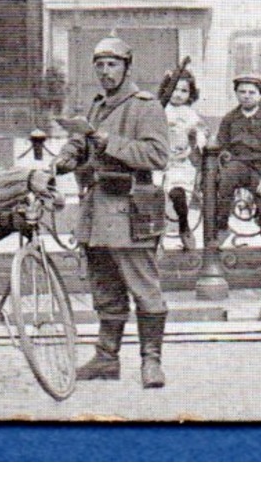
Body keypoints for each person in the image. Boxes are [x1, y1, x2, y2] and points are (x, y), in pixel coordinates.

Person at [52, 37, 169, 389]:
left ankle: (151, 362)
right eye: (100, 65)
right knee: (104, 288)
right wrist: (68, 154)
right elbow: (82, 141)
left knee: (144, 288)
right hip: (96, 210)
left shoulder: (145, 106)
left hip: (130, 210)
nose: (105, 72)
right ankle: (106, 358)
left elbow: (157, 155)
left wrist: (107, 141)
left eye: (112, 64)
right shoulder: (97, 105)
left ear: (126, 67)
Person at [213, 73, 261, 283]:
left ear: (260, 95)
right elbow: (221, 144)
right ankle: (221, 228)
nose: (246, 96)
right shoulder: (230, 118)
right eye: (242, 92)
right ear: (236, 93)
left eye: (251, 92)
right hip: (238, 164)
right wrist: (224, 154)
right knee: (224, 183)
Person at [157, 71, 203, 250]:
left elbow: (200, 134)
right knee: (155, 196)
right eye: (174, 89)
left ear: (190, 94)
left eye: (183, 91)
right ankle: (156, 237)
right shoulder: (160, 110)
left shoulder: (190, 114)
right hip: (160, 161)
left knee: (178, 191)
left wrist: (194, 136)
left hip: (180, 161)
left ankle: (184, 226)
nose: (178, 94)